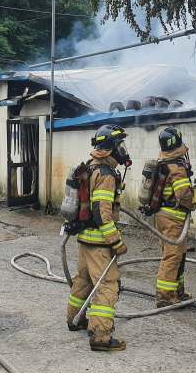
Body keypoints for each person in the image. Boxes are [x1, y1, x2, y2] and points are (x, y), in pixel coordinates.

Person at [66, 124, 130, 351]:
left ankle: (76, 319)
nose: (123, 149)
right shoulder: (106, 174)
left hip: (84, 238)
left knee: (83, 279)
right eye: (120, 145)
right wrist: (116, 242)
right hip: (99, 242)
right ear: (112, 147)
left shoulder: (90, 167)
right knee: (107, 285)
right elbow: (101, 212)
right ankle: (101, 337)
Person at [155, 127, 196, 308]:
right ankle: (165, 298)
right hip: (174, 219)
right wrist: (194, 196)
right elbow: (183, 196)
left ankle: (177, 292)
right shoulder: (177, 168)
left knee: (178, 256)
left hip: (163, 217)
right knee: (172, 257)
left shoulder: (163, 163)